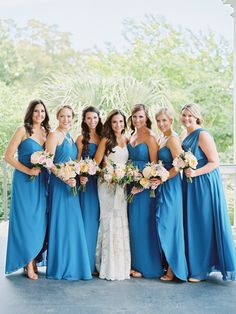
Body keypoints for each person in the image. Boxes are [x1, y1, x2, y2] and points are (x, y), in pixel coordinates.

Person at [181, 103, 236, 282]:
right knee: (193, 223)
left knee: (203, 223)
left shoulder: (202, 134)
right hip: (190, 184)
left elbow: (214, 162)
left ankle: (202, 269)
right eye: (184, 115)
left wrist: (195, 172)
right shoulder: (185, 134)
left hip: (203, 183)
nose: (186, 118)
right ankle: (195, 264)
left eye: (190, 115)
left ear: (197, 116)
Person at [5, 99, 50, 280]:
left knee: (40, 221)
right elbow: (7, 157)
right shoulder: (22, 130)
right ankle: (28, 262)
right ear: (30, 113)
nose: (40, 115)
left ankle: (34, 258)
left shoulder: (46, 133)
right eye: (36, 111)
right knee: (27, 222)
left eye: (43, 112)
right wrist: (28, 170)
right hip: (24, 181)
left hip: (41, 181)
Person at [45, 104, 91, 280]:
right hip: (58, 185)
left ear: (73, 118)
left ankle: (74, 264)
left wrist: (79, 175)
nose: (66, 120)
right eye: (63, 116)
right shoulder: (54, 135)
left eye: (69, 117)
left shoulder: (71, 137)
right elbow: (48, 163)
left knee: (72, 225)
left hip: (71, 184)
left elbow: (75, 162)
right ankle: (59, 267)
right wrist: (63, 177)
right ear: (58, 117)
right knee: (61, 224)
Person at [127, 104, 163, 278]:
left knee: (142, 224)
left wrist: (141, 186)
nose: (137, 120)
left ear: (146, 117)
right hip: (129, 184)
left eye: (140, 117)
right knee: (132, 225)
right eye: (134, 116)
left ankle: (146, 265)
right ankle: (134, 263)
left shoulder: (150, 137)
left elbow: (155, 167)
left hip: (143, 188)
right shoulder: (132, 135)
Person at [94, 109, 131, 280]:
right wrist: (108, 176)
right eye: (115, 122)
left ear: (125, 123)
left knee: (121, 219)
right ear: (110, 123)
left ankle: (121, 266)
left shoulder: (126, 139)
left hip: (122, 186)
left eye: (121, 122)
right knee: (109, 220)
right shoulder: (106, 140)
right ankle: (106, 266)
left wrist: (124, 177)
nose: (118, 125)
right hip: (107, 185)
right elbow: (96, 165)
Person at [154, 108, 188, 281]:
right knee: (163, 223)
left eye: (164, 121)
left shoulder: (173, 139)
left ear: (171, 121)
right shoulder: (162, 137)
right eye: (158, 121)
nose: (161, 124)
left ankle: (173, 269)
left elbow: (180, 164)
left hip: (171, 185)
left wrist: (164, 178)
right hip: (162, 184)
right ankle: (167, 264)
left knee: (169, 225)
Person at [76, 106, 103, 273]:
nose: (92, 121)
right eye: (88, 118)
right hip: (86, 183)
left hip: (101, 182)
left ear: (99, 119)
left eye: (94, 118)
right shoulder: (81, 138)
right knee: (88, 219)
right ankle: (85, 262)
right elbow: (77, 160)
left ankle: (96, 261)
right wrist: (80, 175)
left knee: (99, 221)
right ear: (84, 120)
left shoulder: (103, 138)